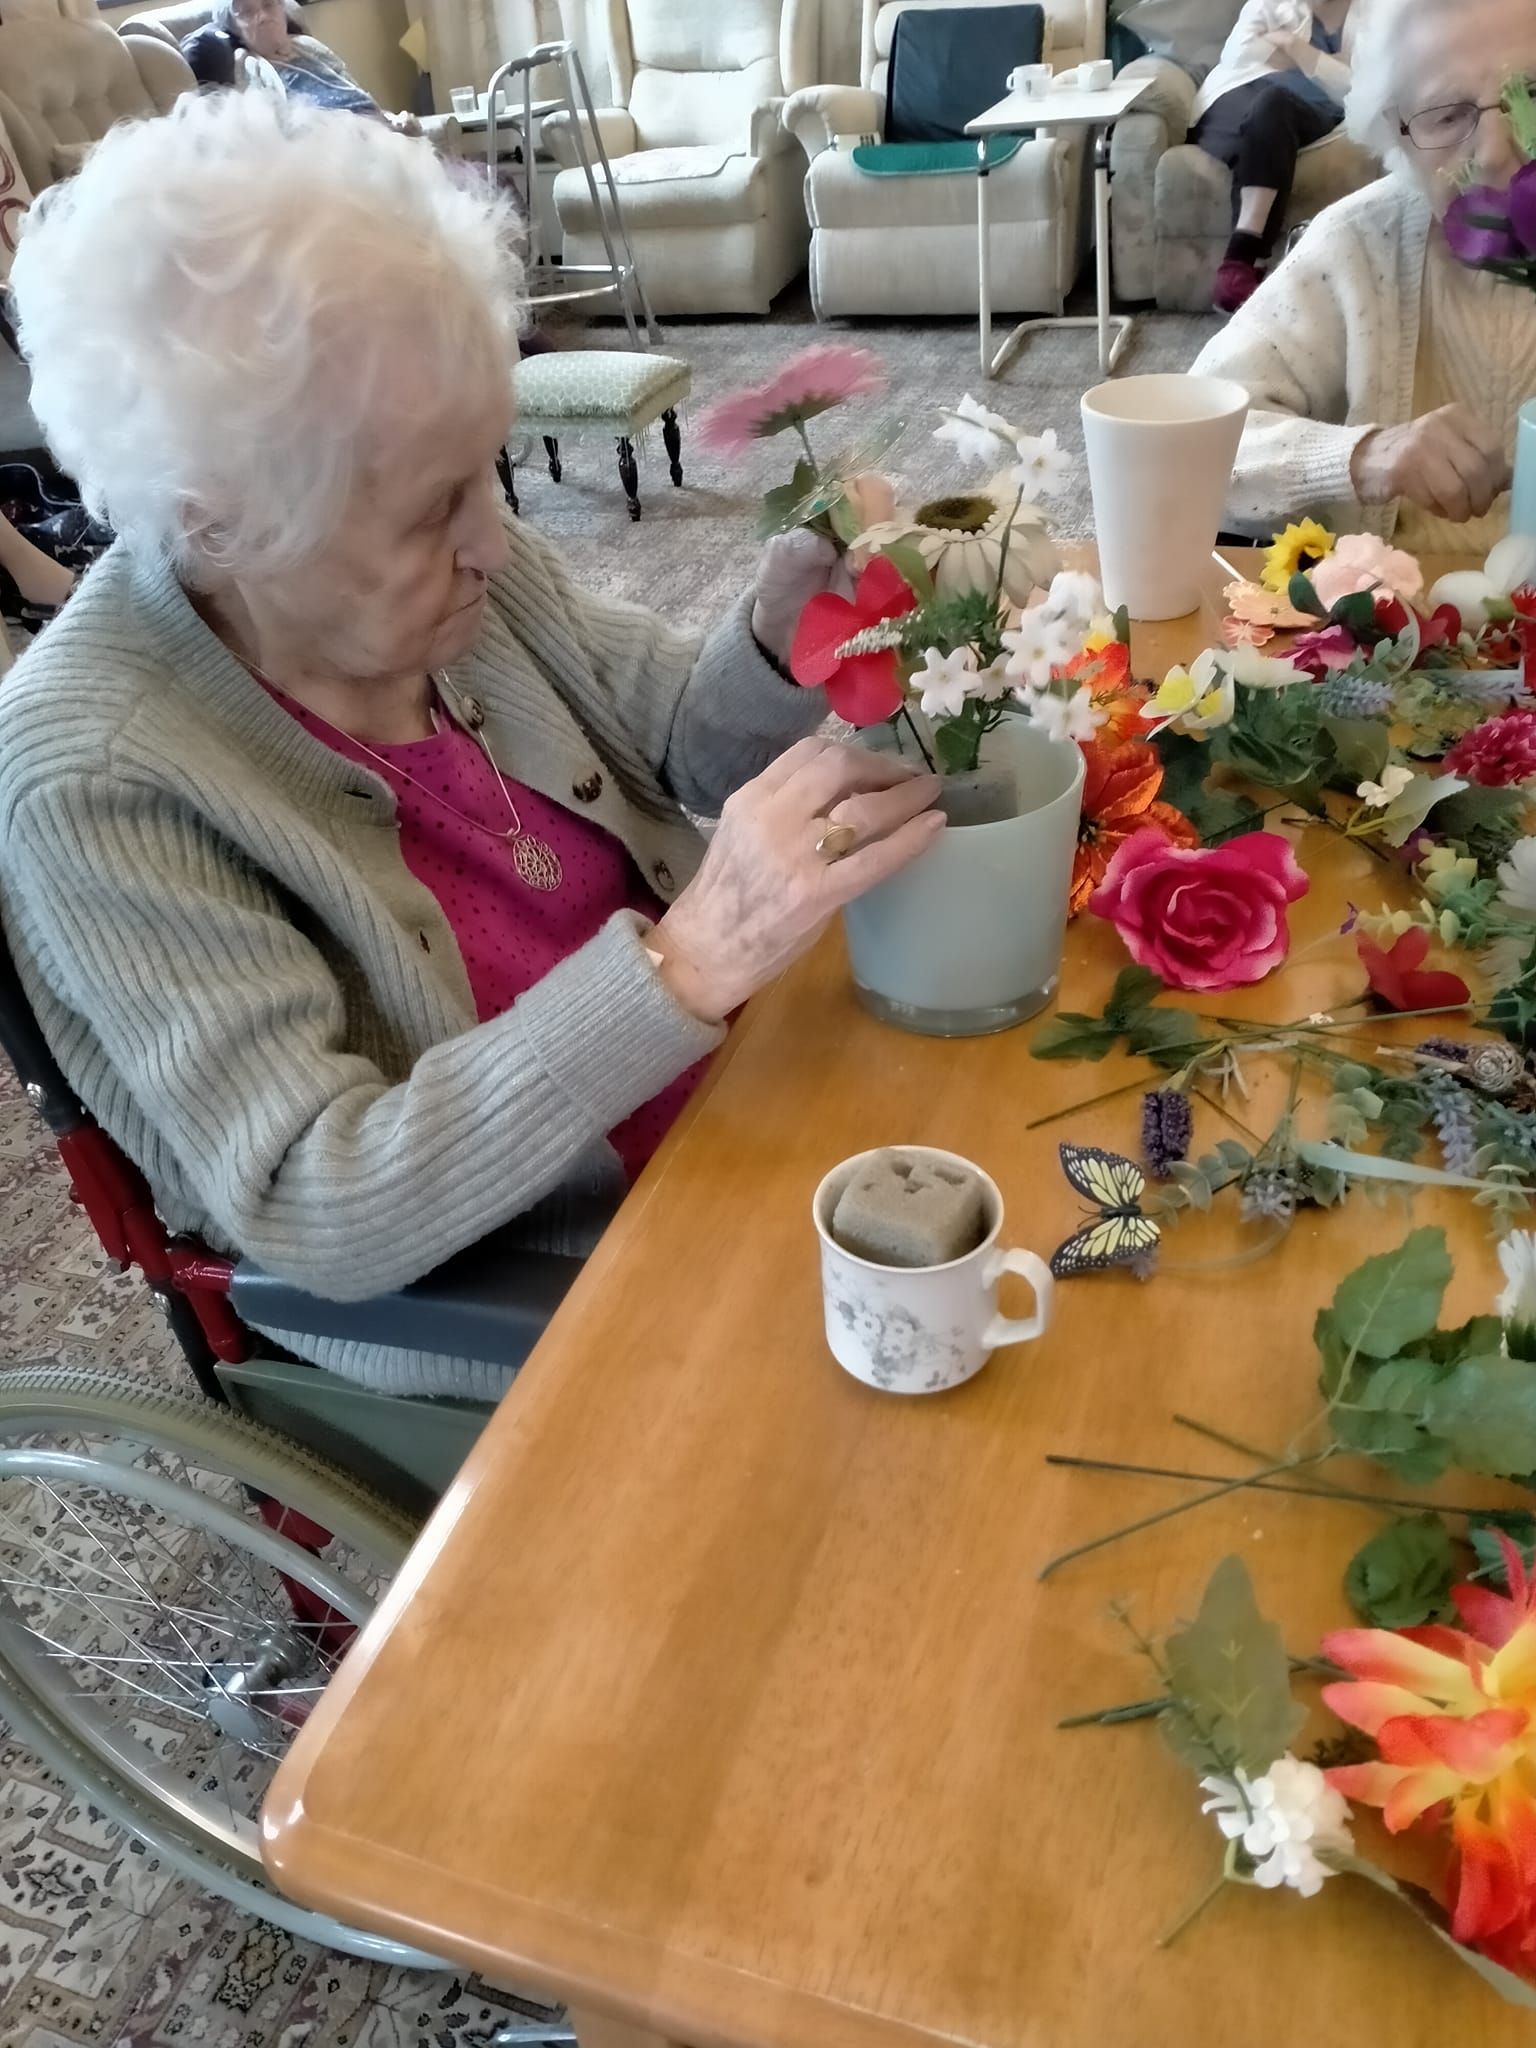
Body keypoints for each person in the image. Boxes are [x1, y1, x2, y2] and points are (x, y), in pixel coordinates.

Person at [0, 91, 944, 1398]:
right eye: (430, 509)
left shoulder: (448, 571)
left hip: (729, 1111)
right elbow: (320, 1205)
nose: (493, 546)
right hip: (523, 1284)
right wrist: (683, 963)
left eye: (485, 472)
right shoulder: (92, 769)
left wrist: (786, 628)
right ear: (217, 523)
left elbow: (685, 745)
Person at [1193, 0, 1536, 553]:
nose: (1496, 155)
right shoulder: (1357, 244)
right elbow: (1191, 439)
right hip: (1390, 625)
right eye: (1448, 114)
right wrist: (1363, 457)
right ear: (1396, 135)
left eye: (1533, 96)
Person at [1190, 0, 1356, 313]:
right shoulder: (1271, 2)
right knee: (1266, 121)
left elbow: (1356, 84)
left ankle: (1240, 260)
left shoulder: (1375, 11)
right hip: (1235, 97)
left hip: (1312, 111)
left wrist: (1294, 46)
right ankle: (1247, 264)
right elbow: (1238, 54)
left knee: (1273, 106)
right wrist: (1326, 63)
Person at [190, 0, 422, 134]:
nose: (262, 17)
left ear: (283, 10)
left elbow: (354, 89)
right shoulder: (246, 65)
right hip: (337, 149)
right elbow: (275, 131)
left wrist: (389, 118)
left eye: (268, 4)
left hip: (378, 132)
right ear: (234, 28)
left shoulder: (308, 46)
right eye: (247, 13)